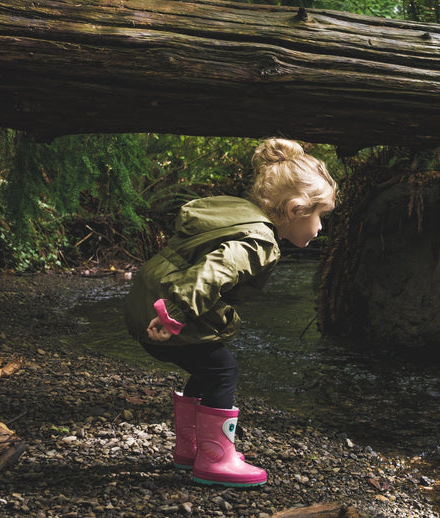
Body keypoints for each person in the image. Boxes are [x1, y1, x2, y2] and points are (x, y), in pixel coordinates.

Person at [123, 138, 336, 488]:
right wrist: (172, 314)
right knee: (224, 369)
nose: (321, 228)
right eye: (320, 216)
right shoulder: (260, 241)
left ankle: (189, 449)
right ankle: (216, 458)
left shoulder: (239, 214)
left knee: (208, 367)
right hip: (164, 311)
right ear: (296, 209)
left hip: (143, 301)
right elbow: (214, 272)